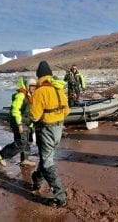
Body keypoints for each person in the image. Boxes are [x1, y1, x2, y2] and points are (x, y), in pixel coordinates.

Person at [30, 61, 70, 208]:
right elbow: (67, 110)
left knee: (47, 163)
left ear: (39, 76)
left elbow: (34, 116)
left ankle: (60, 197)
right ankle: (37, 179)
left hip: (46, 129)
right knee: (46, 157)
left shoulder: (39, 92)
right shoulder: (59, 89)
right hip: (59, 129)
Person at [0, 77, 37, 167]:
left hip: (27, 122)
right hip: (19, 121)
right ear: (27, 86)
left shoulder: (31, 96)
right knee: (21, 143)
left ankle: (25, 159)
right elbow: (15, 110)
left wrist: (32, 123)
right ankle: (0, 155)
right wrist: (19, 124)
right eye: (32, 86)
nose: (33, 88)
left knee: (27, 141)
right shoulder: (21, 95)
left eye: (35, 86)